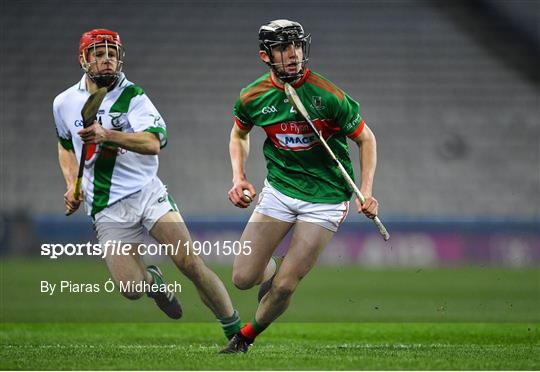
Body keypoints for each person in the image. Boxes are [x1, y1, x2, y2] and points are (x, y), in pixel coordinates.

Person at [53, 28, 242, 340]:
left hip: (146, 194)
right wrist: (72, 182)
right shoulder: (63, 103)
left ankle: (235, 330)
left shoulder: (133, 96)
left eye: (112, 54)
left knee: (189, 263)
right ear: (83, 59)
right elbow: (64, 144)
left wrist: (107, 134)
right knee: (131, 289)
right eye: (99, 54)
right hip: (105, 205)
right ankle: (153, 280)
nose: (107, 61)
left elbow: (154, 143)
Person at [220, 19, 380, 353]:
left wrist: (366, 190)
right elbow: (239, 133)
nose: (292, 54)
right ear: (266, 55)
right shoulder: (253, 96)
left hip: (325, 197)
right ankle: (272, 266)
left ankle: (245, 337)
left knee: (285, 286)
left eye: (296, 46)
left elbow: (366, 138)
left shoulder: (328, 95)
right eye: (282, 48)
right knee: (243, 278)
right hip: (279, 190)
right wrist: (239, 176)